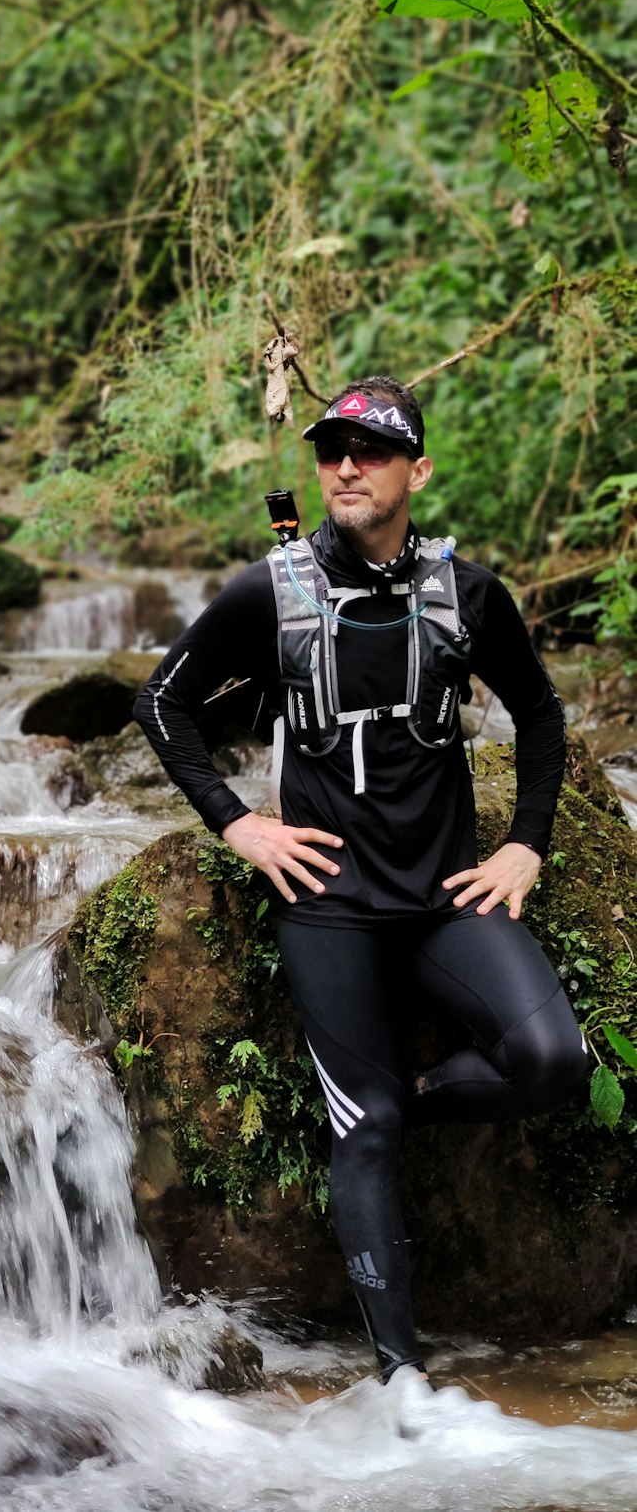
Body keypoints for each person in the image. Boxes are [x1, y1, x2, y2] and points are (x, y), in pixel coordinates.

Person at [134, 374, 589, 1384]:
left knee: (553, 1063)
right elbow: (160, 701)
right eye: (330, 448)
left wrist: (526, 843)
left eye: (370, 450)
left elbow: (543, 717)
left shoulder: (466, 593)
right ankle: (405, 1387)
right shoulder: (273, 587)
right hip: (326, 903)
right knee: (366, 1131)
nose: (344, 464)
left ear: (415, 471)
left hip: (438, 896)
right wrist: (239, 822)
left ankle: (389, 1099)